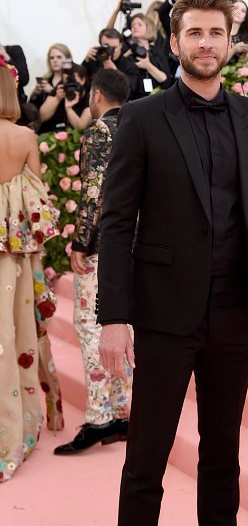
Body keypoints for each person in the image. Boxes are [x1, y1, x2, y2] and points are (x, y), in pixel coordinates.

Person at [97, 0, 248, 526]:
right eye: (194, 33)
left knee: (223, 458)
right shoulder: (142, 117)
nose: (206, 43)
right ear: (174, 43)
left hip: (235, 315)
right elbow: (116, 221)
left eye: (216, 33)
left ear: (230, 41)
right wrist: (113, 315)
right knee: (146, 459)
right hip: (163, 316)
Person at [54, 69, 131, 455]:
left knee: (90, 327)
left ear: (97, 95)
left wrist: (81, 242)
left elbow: (93, 193)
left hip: (104, 246)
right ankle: (121, 413)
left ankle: (100, 417)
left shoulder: (101, 131)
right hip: (136, 245)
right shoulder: (138, 126)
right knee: (124, 326)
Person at [0, 58, 63, 482]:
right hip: (14, 258)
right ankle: (18, 424)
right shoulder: (24, 136)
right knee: (17, 331)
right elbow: (37, 202)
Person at [123, 13, 172, 100]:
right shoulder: (129, 55)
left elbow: (166, 81)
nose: (135, 27)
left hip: (159, 99)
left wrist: (148, 66)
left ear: (148, 28)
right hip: (137, 102)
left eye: (139, 24)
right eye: (133, 25)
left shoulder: (157, 51)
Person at [82, 28, 139, 99]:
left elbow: (130, 92)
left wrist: (116, 73)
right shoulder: (94, 59)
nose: (111, 51)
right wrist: (86, 60)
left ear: (120, 45)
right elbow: (82, 81)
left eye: (114, 48)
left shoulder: (129, 65)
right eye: (107, 47)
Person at [37, 62, 92, 133]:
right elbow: (41, 117)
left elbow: (81, 127)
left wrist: (68, 109)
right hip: (53, 133)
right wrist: (57, 98)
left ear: (83, 80)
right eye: (66, 80)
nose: (70, 83)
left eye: (73, 80)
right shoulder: (60, 90)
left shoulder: (88, 98)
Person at [29, 43, 72, 118]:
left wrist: (52, 91)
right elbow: (33, 111)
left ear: (67, 59)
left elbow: (74, 103)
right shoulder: (45, 79)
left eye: (59, 57)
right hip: (45, 125)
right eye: (52, 58)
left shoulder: (72, 79)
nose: (55, 60)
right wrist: (34, 95)